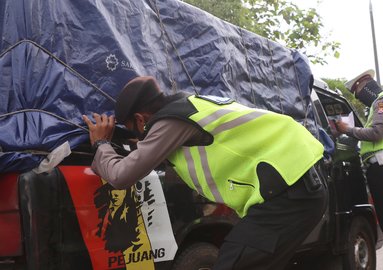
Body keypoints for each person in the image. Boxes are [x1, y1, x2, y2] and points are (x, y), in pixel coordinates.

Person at [82, 76, 328, 270]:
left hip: (289, 193)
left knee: (234, 262)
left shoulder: (170, 121)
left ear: (140, 118)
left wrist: (101, 144)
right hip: (300, 185)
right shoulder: (192, 106)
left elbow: (121, 175)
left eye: (133, 128)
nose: (137, 135)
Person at [335, 69, 383, 270]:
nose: (358, 96)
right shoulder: (377, 106)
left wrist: (348, 130)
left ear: (365, 85)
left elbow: (377, 132)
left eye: (358, 91)